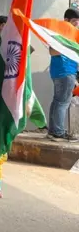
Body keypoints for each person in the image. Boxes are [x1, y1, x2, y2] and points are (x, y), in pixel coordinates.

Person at [47, 8, 79, 142]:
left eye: (77, 22)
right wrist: (69, 48)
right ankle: (59, 132)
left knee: (57, 101)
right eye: (74, 22)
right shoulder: (61, 34)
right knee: (62, 103)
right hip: (65, 72)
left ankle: (53, 130)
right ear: (66, 20)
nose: (76, 25)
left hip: (59, 72)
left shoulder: (63, 33)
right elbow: (52, 51)